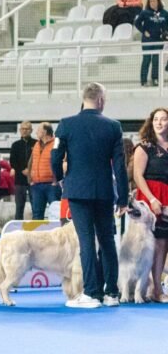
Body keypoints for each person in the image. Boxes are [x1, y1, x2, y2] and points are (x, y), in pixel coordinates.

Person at [50, 82, 129, 308]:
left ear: (83, 98)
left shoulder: (66, 124)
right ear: (102, 100)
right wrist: (122, 198)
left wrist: (61, 180)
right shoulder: (114, 126)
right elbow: (120, 167)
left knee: (86, 242)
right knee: (107, 241)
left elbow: (55, 158)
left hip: (77, 190)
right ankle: (112, 293)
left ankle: (92, 293)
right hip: (105, 192)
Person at [132, 107, 168, 302]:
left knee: (163, 243)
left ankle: (157, 289)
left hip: (167, 198)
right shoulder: (144, 147)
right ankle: (141, 289)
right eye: (156, 120)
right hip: (150, 198)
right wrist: (152, 199)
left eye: (163, 119)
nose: (159, 123)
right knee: (146, 246)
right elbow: (138, 176)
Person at [27, 122, 59, 220]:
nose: (36, 132)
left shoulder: (56, 143)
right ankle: (37, 235)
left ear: (45, 132)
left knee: (55, 213)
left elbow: (60, 161)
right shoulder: (36, 144)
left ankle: (57, 234)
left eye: (38, 130)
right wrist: (30, 179)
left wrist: (56, 180)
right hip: (36, 185)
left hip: (52, 185)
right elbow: (31, 162)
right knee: (36, 214)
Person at [134, 0, 168, 86]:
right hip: (147, 40)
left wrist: (165, 33)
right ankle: (143, 80)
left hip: (159, 40)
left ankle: (155, 79)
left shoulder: (165, 13)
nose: (152, 3)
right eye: (151, 1)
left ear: (158, 2)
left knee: (156, 60)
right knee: (146, 59)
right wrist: (143, 31)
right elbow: (137, 23)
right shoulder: (144, 13)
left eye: (154, 1)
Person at [9, 121, 35, 220]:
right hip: (19, 180)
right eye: (23, 129)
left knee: (35, 206)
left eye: (27, 129)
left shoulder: (36, 143)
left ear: (31, 130)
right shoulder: (15, 145)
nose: (25, 131)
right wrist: (21, 170)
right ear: (20, 130)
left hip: (33, 179)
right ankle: (18, 228)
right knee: (19, 206)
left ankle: (36, 227)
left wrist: (30, 170)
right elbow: (12, 161)